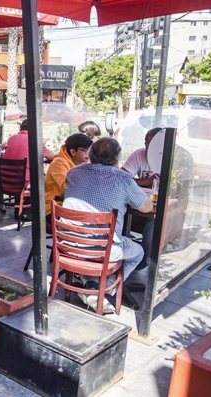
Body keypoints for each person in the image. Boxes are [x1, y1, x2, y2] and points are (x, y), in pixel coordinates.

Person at [63, 137, 153, 313]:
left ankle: (91, 285)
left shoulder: (73, 173)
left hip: (68, 245)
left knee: (99, 243)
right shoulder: (124, 179)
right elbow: (146, 207)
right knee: (138, 252)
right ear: (117, 158)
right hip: (103, 251)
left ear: (90, 154)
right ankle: (106, 288)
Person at [121, 127, 163, 279]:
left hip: (161, 207)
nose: (147, 147)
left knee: (153, 225)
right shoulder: (139, 154)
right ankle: (122, 258)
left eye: (151, 145)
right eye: (146, 143)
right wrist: (147, 181)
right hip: (141, 203)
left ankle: (142, 263)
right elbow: (123, 177)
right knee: (121, 213)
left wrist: (137, 182)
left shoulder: (170, 159)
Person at [44, 133, 93, 221]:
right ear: (73, 152)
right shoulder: (59, 163)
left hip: (68, 206)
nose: (88, 154)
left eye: (90, 150)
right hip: (53, 209)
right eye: (85, 151)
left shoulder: (79, 163)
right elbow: (67, 187)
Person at [2, 118, 54, 184]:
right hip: (26, 182)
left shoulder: (11, 139)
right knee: (48, 182)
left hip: (7, 180)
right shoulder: (34, 140)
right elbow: (51, 157)